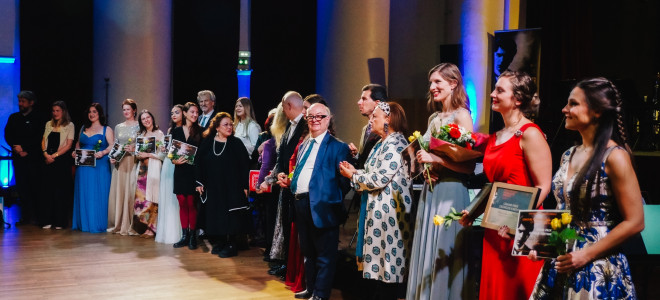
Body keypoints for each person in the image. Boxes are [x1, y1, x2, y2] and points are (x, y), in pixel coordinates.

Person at [529, 78, 644, 299]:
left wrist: (586, 254)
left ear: (597, 111)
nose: (565, 109)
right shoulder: (568, 154)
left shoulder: (615, 156)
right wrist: (543, 245)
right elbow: (564, 212)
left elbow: (636, 220)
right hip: (563, 262)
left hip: (598, 265)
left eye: (573, 104)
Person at [460, 70, 551, 300]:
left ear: (517, 99)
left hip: (521, 231)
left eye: (500, 90)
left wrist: (517, 222)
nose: (492, 94)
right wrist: (475, 211)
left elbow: (544, 185)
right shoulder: (497, 135)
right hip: (495, 229)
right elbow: (494, 187)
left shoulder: (530, 134)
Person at [407, 63, 476, 300]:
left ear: (453, 83)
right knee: (427, 249)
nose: (432, 87)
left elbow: (468, 165)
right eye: (431, 83)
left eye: (437, 82)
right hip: (431, 189)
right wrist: (426, 166)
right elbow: (429, 156)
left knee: (442, 249)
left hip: (451, 190)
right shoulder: (434, 117)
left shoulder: (463, 116)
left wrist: (436, 158)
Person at [277, 103, 352, 300]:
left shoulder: (339, 147)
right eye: (311, 117)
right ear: (306, 119)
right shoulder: (303, 145)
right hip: (301, 204)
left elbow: (345, 183)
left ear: (328, 119)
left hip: (324, 208)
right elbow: (303, 173)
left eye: (320, 116)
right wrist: (291, 181)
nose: (315, 120)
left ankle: (320, 295)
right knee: (308, 252)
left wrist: (328, 200)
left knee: (325, 257)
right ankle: (310, 289)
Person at [339, 102, 413, 300]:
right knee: (379, 269)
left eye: (375, 117)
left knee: (388, 267)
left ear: (388, 119)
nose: (371, 120)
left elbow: (379, 179)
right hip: (378, 212)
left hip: (390, 215)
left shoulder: (396, 143)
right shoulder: (382, 142)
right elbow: (374, 173)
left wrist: (353, 177)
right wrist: (356, 172)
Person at [195, 112, 252, 258]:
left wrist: (245, 186)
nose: (229, 127)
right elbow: (199, 162)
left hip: (233, 186)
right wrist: (199, 181)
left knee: (232, 215)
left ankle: (231, 244)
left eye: (231, 124)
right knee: (216, 214)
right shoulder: (208, 142)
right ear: (217, 128)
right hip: (214, 186)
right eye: (225, 124)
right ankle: (220, 241)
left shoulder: (236, 143)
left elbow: (245, 165)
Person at [266, 91, 308, 277]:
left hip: (297, 186)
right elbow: (282, 156)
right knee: (284, 226)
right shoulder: (289, 127)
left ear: (289, 106)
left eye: (283, 107)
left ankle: (291, 266)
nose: (282, 111)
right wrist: (274, 177)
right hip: (284, 184)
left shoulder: (306, 127)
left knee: (293, 228)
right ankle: (285, 263)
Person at [347, 83, 386, 269]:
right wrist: (357, 157)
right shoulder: (366, 129)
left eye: (364, 98)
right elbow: (368, 161)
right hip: (364, 188)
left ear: (377, 103)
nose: (359, 102)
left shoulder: (386, 131)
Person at [4, 91, 45, 225]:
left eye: (23, 101)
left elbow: (40, 137)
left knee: (36, 188)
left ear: (31, 103)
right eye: (19, 101)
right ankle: (25, 218)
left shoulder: (39, 118)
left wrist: (26, 149)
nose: (20, 104)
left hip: (34, 159)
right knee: (22, 189)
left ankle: (39, 218)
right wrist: (16, 147)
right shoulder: (13, 117)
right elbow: (8, 134)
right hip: (19, 159)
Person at [72, 103, 114, 233]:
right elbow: (78, 143)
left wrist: (103, 152)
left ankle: (98, 223)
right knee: (85, 193)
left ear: (99, 113)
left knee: (98, 193)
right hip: (83, 166)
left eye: (94, 111)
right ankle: (84, 222)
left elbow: (112, 145)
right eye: (90, 112)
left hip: (99, 165)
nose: (91, 114)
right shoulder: (83, 128)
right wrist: (75, 151)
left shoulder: (106, 129)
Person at [39, 101, 75, 229]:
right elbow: (43, 140)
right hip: (48, 161)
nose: (55, 113)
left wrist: (54, 156)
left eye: (58, 111)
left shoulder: (70, 125)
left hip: (61, 162)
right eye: (53, 111)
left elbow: (68, 145)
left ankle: (60, 221)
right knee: (47, 191)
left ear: (63, 111)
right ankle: (47, 220)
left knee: (60, 192)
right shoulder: (48, 124)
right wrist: (45, 154)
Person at [107, 99, 140, 235]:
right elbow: (115, 144)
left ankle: (131, 224)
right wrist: (112, 156)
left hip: (133, 161)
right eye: (124, 109)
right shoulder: (118, 126)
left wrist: (134, 148)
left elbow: (145, 144)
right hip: (120, 163)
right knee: (120, 192)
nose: (126, 112)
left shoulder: (139, 125)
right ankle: (119, 223)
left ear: (134, 110)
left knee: (132, 191)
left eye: (128, 109)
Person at [172, 102, 202, 249]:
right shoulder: (175, 131)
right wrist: (174, 160)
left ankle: (192, 236)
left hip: (194, 172)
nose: (195, 115)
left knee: (191, 203)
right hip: (180, 171)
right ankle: (184, 235)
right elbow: (171, 154)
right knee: (182, 202)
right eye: (192, 112)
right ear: (185, 113)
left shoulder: (201, 131)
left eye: (197, 112)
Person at [133, 109, 164, 238]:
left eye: (148, 117)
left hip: (154, 168)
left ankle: (152, 229)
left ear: (152, 118)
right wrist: (138, 154)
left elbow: (163, 154)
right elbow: (136, 152)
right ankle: (145, 226)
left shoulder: (160, 133)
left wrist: (149, 154)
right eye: (143, 119)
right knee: (141, 200)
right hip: (142, 171)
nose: (146, 120)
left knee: (153, 199)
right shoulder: (141, 135)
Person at [156, 104, 184, 244]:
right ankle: (167, 231)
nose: (173, 115)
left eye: (177, 112)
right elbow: (166, 150)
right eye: (172, 113)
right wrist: (163, 148)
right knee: (167, 196)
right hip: (168, 163)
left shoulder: (185, 130)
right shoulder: (169, 130)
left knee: (176, 198)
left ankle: (180, 232)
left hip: (178, 164)